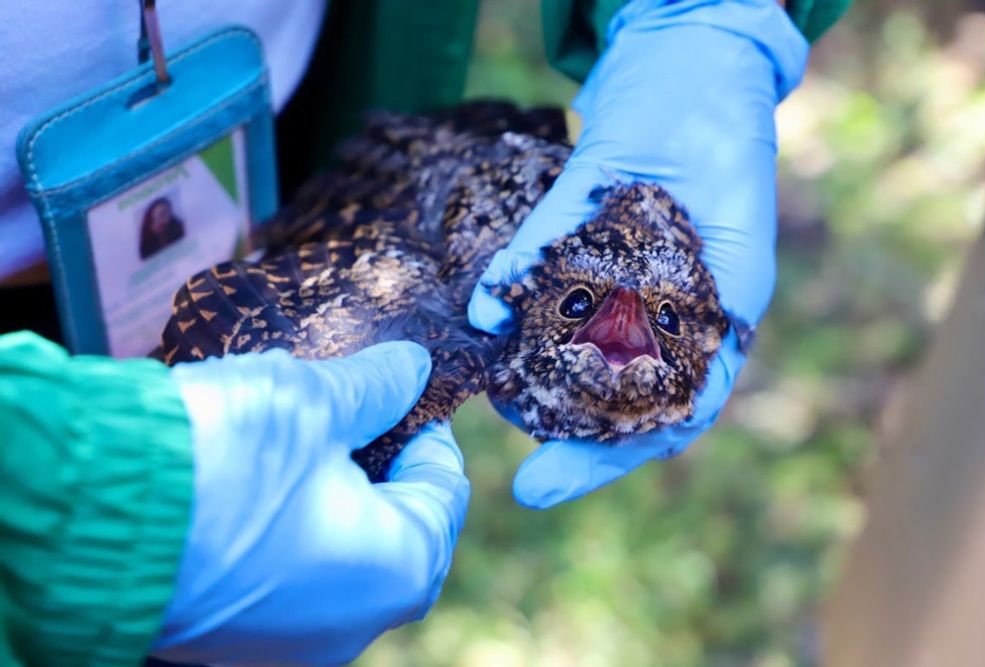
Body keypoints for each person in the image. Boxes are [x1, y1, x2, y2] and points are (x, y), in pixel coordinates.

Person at [0, 1, 849, 665]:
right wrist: (80, 504)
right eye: (585, 304)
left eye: (665, 320)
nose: (626, 329)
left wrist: (708, 15)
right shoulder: (439, 327)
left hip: (271, 125)